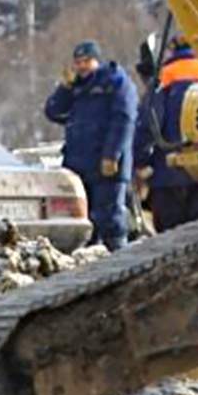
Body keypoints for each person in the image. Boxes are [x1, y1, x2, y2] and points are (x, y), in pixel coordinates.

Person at [44, 40, 138, 250]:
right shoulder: (77, 88)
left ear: (97, 61)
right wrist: (64, 89)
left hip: (107, 165)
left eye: (87, 61)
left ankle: (119, 259)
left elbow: (124, 120)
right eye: (78, 62)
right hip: (79, 165)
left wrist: (112, 155)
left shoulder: (115, 82)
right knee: (86, 224)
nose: (81, 66)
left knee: (110, 219)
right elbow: (53, 112)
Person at [133, 38, 198, 233]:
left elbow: (150, 124)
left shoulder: (164, 78)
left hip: (169, 174)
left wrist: (141, 161)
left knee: (171, 239)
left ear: (171, 51)